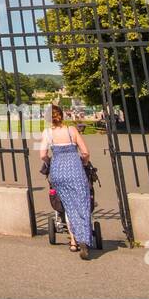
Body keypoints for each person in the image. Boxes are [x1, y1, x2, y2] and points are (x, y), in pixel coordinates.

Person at [40, 103, 94, 260]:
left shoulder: (48, 133)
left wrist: (50, 162)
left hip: (58, 171)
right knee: (82, 204)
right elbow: (85, 152)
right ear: (62, 116)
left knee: (68, 206)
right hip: (75, 170)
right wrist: (84, 163)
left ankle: (73, 241)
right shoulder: (71, 130)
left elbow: (42, 154)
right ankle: (83, 239)